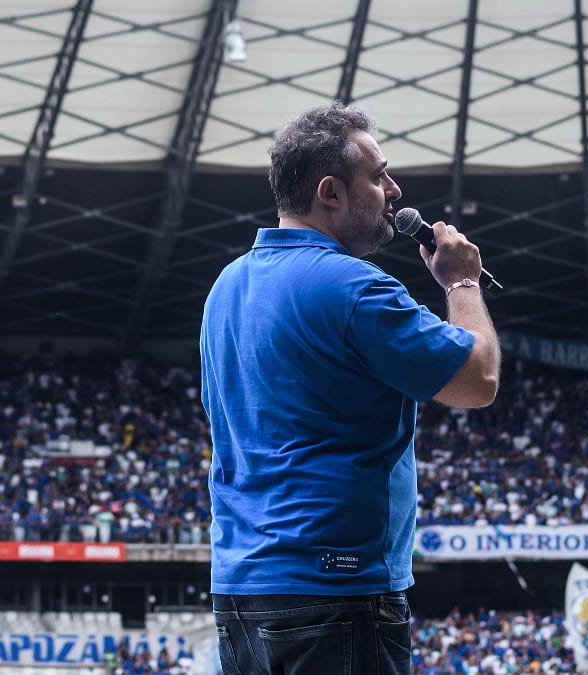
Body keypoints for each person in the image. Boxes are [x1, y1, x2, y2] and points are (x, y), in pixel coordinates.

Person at [200, 101, 501, 674]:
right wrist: (461, 281)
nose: (395, 188)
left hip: (241, 587)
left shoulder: (227, 286)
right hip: (335, 587)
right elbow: (477, 380)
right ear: (330, 192)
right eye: (379, 174)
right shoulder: (355, 288)